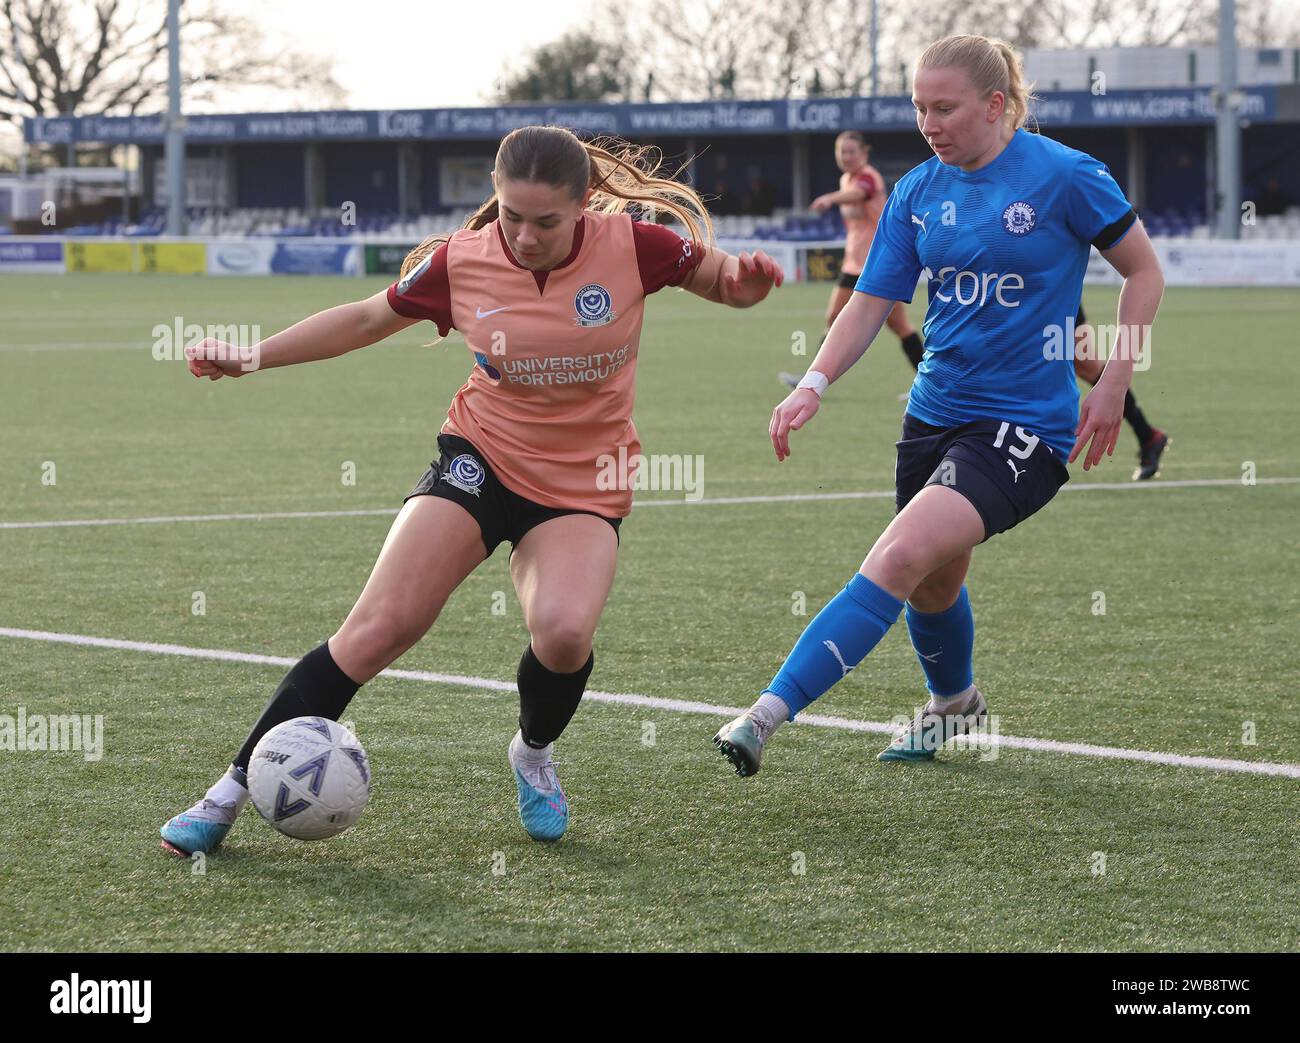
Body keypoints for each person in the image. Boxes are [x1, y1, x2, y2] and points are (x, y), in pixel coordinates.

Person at [161, 125, 783, 852]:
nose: (523, 234)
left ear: (583, 204)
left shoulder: (636, 246)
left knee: (563, 632)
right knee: (377, 629)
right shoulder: (463, 261)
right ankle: (228, 790)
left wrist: (747, 287)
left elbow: (725, 282)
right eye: (510, 214)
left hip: (584, 479)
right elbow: (366, 318)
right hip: (480, 457)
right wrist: (252, 356)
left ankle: (532, 753)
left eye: (545, 220)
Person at [714, 34, 1164, 774]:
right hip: (933, 414)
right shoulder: (919, 192)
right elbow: (870, 304)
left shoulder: (1066, 177)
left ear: (995, 105)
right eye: (920, 107)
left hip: (1026, 426)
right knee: (932, 582)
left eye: (945, 107)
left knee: (898, 555)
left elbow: (1144, 272)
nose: (929, 123)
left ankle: (764, 715)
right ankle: (955, 704)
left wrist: (1114, 379)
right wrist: (812, 383)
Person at [780, 131, 924, 394]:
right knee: (834, 317)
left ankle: (931, 384)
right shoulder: (846, 179)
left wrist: (829, 198)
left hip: (880, 261)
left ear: (864, 153)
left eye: (851, 151)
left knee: (899, 325)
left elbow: (860, 194)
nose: (846, 157)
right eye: (841, 152)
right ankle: (811, 381)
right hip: (854, 263)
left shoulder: (868, 177)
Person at [1072, 303, 1169, 480]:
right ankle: (1147, 435)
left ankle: (1148, 435)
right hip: (1018, 291)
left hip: (1047, 288)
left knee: (1087, 364)